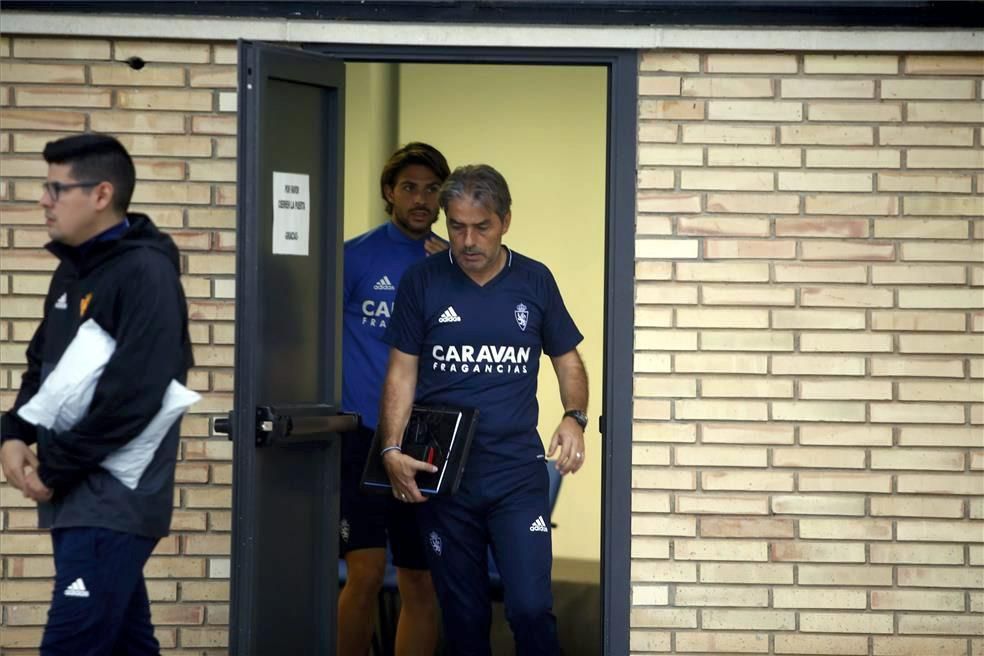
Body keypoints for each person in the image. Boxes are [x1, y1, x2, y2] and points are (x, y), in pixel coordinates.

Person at [377, 164, 589, 655]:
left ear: (506, 221)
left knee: (531, 608)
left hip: (515, 474)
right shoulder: (422, 280)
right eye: (456, 226)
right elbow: (400, 374)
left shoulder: (534, 281)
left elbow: (567, 359)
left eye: (482, 226)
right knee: (464, 615)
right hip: (443, 476)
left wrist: (573, 417)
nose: (468, 239)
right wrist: (389, 447)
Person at [0, 133, 194, 655]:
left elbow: (136, 394)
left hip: (114, 496)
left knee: (71, 645)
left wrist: (54, 467)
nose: (43, 200)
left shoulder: (146, 273)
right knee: (128, 644)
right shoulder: (74, 268)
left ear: (101, 194)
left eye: (56, 189)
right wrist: (13, 432)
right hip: (81, 494)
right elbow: (43, 361)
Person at [338, 142, 450, 656]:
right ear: (390, 193)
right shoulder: (354, 256)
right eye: (410, 187)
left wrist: (453, 271)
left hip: (422, 438)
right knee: (362, 573)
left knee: (419, 579)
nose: (421, 199)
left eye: (431, 189)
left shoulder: (454, 261)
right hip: (361, 433)